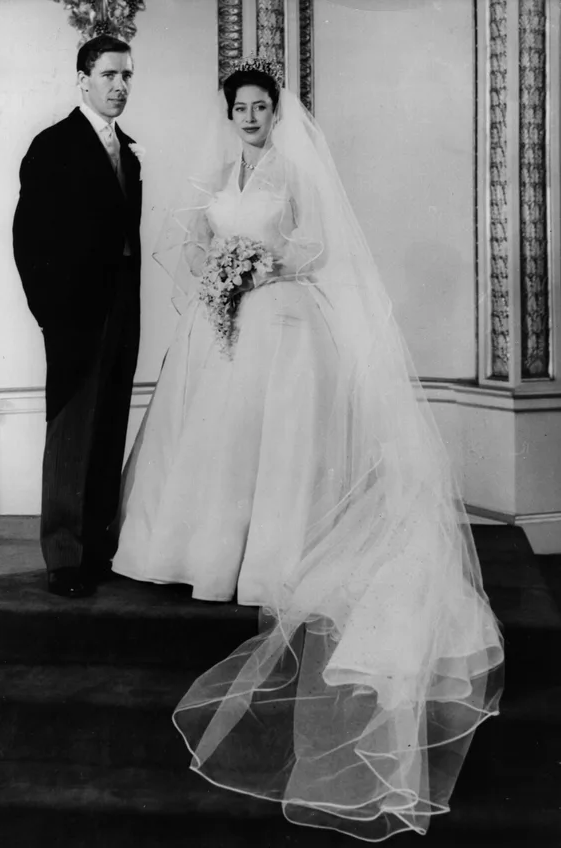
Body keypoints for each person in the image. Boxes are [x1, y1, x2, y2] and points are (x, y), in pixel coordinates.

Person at [112, 57, 504, 840]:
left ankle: (267, 559)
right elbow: (197, 240)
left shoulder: (293, 170)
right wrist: (219, 271)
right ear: (229, 113)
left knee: (276, 443)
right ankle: (200, 557)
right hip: (223, 323)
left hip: (282, 321)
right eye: (241, 106)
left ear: (274, 111)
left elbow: (319, 245)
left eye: (261, 106)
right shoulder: (220, 170)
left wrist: (262, 266)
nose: (250, 116)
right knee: (213, 443)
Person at [13, 35, 142, 598]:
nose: (120, 85)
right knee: (71, 432)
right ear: (83, 80)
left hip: (122, 310)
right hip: (74, 317)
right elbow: (28, 239)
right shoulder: (53, 145)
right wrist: (53, 315)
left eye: (127, 75)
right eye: (109, 75)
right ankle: (64, 558)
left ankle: (95, 549)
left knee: (109, 424)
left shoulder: (128, 151)